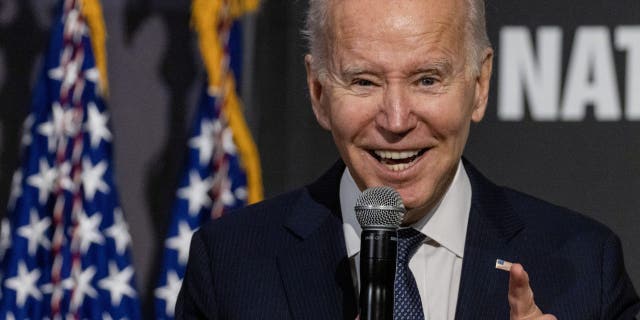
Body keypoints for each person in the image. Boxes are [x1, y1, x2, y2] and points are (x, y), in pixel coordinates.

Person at [176, 0, 640, 319]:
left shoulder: (585, 268)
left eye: (427, 79)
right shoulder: (231, 268)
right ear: (318, 93)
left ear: (479, 86)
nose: (396, 120)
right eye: (363, 81)